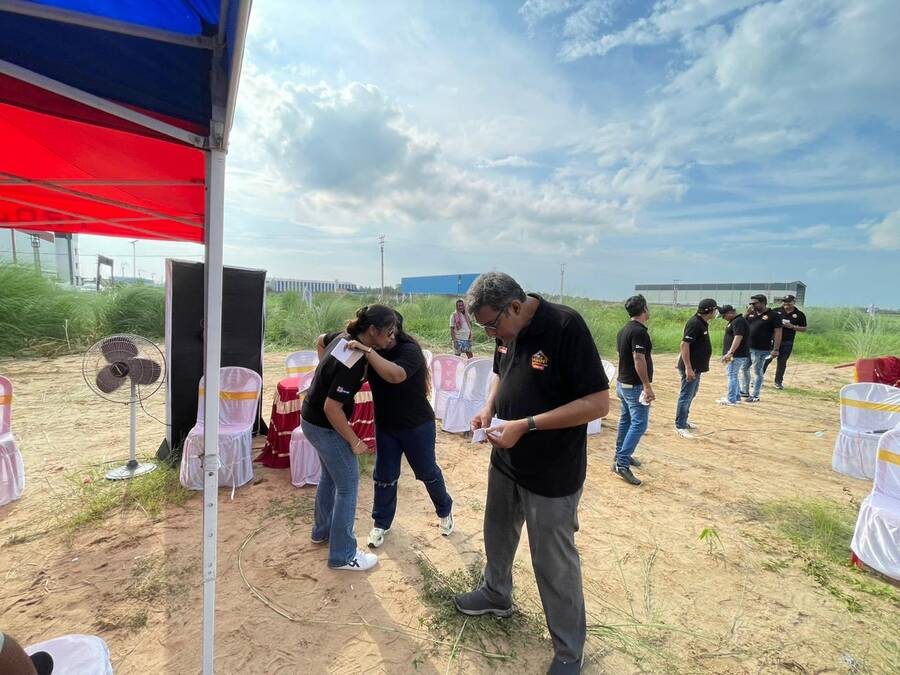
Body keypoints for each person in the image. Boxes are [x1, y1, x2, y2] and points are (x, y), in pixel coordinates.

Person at [452, 272, 610, 675]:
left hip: (553, 469)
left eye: (491, 324)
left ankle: (569, 651)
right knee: (498, 533)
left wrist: (527, 424)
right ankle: (496, 593)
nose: (488, 333)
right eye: (483, 326)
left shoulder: (564, 326)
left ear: (516, 307)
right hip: (507, 459)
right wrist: (490, 407)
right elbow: (500, 372)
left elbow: (597, 403)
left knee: (554, 562)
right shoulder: (509, 330)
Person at [301, 305, 397, 572]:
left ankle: (322, 531)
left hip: (310, 420)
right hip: (324, 425)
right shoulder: (354, 362)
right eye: (388, 333)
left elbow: (320, 339)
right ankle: (343, 555)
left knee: (330, 478)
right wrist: (354, 441)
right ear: (372, 331)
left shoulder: (342, 337)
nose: (391, 338)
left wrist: (323, 371)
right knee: (348, 484)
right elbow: (331, 408)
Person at [362, 310, 454, 548]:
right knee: (384, 476)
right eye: (384, 332)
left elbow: (395, 375)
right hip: (387, 427)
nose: (387, 338)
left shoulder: (409, 351)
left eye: (391, 332)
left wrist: (368, 352)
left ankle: (444, 510)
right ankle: (381, 523)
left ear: (397, 330)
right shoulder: (374, 348)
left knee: (427, 472)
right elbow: (324, 340)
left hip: (417, 426)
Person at [613, 294, 655, 486]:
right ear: (644, 309)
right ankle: (621, 463)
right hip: (634, 386)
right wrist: (647, 386)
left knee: (626, 420)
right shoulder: (638, 332)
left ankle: (620, 456)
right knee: (639, 424)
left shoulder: (624, 330)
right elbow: (638, 359)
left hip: (623, 383)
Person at [675, 299, 716, 438]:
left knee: (691, 395)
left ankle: (684, 421)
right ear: (709, 310)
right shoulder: (695, 323)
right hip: (691, 368)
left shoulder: (702, 323)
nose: (716, 312)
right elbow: (684, 345)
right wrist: (688, 368)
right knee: (686, 396)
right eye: (714, 309)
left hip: (696, 368)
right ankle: (680, 426)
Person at [743, 294, 782, 402]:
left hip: (761, 349)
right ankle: (745, 391)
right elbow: (741, 325)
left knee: (757, 371)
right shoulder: (751, 314)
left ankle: (755, 395)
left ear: (763, 302)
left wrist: (776, 349)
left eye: (754, 303)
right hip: (748, 348)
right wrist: (747, 314)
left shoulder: (773, 315)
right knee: (744, 368)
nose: (752, 305)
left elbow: (778, 332)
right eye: (751, 303)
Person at [764, 295, 807, 389]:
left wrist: (793, 326)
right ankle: (758, 379)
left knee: (782, 362)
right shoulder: (775, 311)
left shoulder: (799, 314)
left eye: (788, 301)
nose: (786, 303)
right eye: (784, 301)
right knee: (766, 359)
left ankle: (778, 382)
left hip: (787, 341)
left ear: (793, 302)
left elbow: (804, 328)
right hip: (773, 340)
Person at [716, 305, 749, 406]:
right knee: (733, 375)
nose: (723, 318)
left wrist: (730, 352)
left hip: (736, 354)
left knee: (732, 375)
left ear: (730, 312)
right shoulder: (735, 321)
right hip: (736, 353)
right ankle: (736, 396)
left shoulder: (738, 321)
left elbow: (738, 337)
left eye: (723, 315)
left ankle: (731, 399)